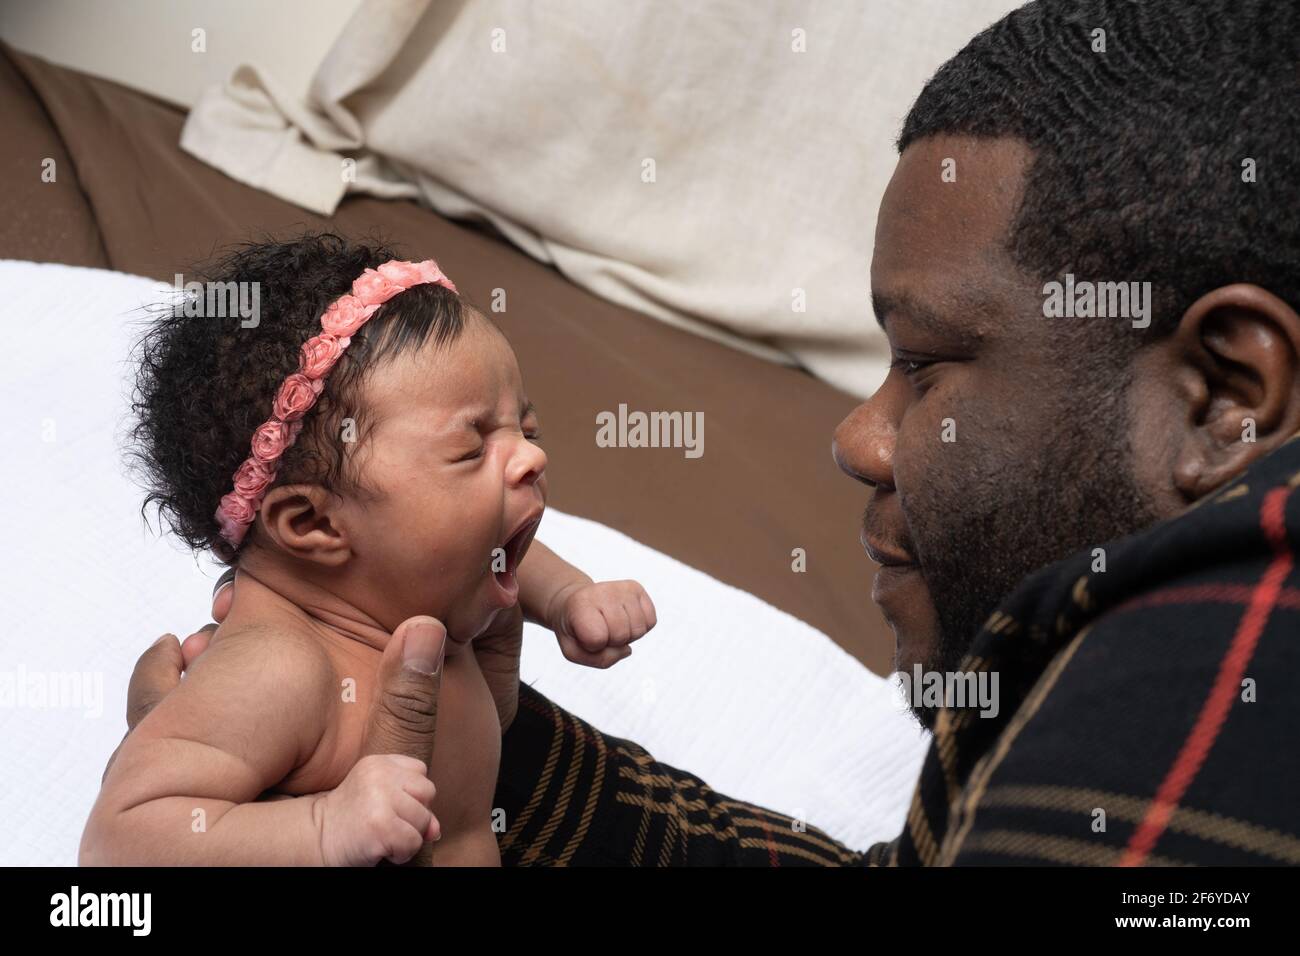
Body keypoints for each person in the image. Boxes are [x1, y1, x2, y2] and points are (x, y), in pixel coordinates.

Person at [117, 0, 1300, 865]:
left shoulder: (1217, 653)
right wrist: (465, 763)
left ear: (1222, 395)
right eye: (469, 444)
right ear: (310, 523)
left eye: (926, 362)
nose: (858, 437)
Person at [81, 238, 655, 866]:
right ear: (311, 522)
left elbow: (498, 549)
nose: (532, 457)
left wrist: (571, 595)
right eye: (471, 449)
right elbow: (121, 840)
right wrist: (324, 826)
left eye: (526, 429)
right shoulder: (283, 667)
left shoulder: (421, 575)